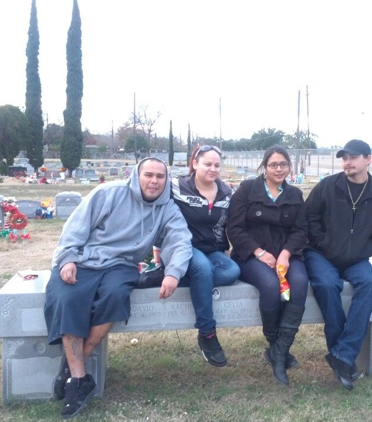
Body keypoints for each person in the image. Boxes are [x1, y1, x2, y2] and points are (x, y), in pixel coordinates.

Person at [44, 157, 192, 419]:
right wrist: (67, 259)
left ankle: (71, 367)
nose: (154, 181)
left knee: (115, 295)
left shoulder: (166, 207)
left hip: (122, 264)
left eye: (160, 176)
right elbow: (75, 228)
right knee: (67, 298)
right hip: (84, 258)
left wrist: (174, 272)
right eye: (149, 175)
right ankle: (79, 379)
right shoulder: (108, 193)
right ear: (137, 175)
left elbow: (180, 240)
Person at [304, 139, 372, 391]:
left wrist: (367, 248)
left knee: (369, 284)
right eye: (344, 158)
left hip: (356, 258)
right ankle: (343, 356)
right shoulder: (328, 186)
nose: (347, 162)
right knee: (326, 283)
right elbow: (309, 216)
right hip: (321, 254)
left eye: (353, 157)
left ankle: (342, 354)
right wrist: (322, 242)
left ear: (368, 159)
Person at [227, 145, 309, 386]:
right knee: (270, 285)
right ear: (264, 166)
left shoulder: (294, 195)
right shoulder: (247, 189)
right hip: (251, 256)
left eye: (283, 164)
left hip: (287, 254)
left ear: (289, 167)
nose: (278, 169)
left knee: (300, 283)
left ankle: (279, 352)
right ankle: (276, 348)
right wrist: (259, 252)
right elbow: (235, 227)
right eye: (273, 164)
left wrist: (285, 253)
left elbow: (300, 230)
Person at [171, 144, 240, 367]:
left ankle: (189, 280)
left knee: (232, 271)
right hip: (185, 248)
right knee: (201, 268)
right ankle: (207, 334)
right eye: (207, 164)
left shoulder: (227, 193)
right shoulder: (177, 187)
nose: (212, 169)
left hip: (214, 249)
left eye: (217, 165)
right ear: (195, 163)